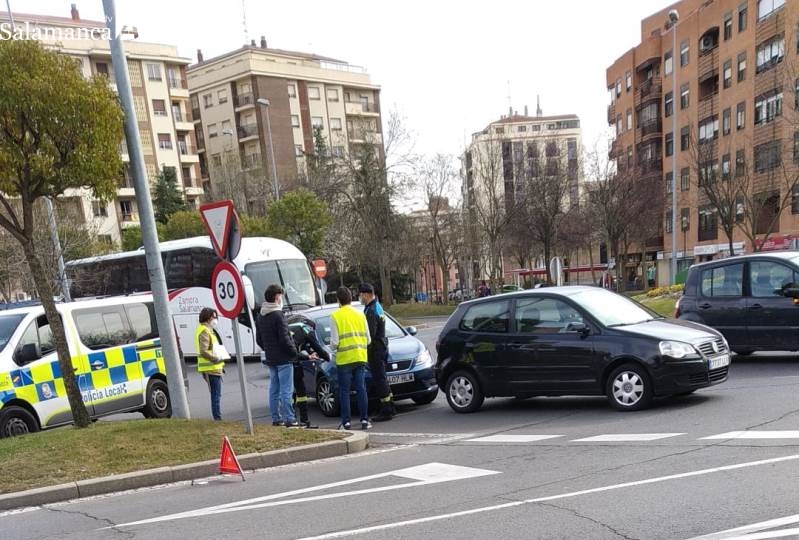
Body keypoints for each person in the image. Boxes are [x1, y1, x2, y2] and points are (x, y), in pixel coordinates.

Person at [256, 284, 300, 428]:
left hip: (271, 358)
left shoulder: (261, 315)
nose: (281, 298)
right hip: (284, 358)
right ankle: (290, 418)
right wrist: (294, 352)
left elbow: (259, 339)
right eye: (280, 295)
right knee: (286, 390)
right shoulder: (278, 315)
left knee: (274, 389)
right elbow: (285, 338)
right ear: (276, 297)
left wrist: (268, 349)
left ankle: (276, 418)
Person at [330, 286, 371, 430]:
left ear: (338, 300)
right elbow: (368, 339)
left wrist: (331, 349)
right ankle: (364, 420)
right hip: (360, 356)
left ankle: (346, 422)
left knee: (344, 391)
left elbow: (335, 342)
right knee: (361, 389)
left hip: (344, 359)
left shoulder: (335, 316)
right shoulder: (360, 314)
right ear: (351, 298)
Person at [358, 283, 394, 422]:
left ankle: (386, 410)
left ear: (366, 294)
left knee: (380, 379)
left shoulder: (371, 310)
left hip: (375, 349)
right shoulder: (377, 306)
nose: (360, 297)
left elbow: (370, 334)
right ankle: (389, 405)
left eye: (360, 294)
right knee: (383, 378)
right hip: (382, 346)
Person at [287, 314, 330, 428]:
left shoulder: (290, 327)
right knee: (301, 393)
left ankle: (292, 420)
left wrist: (308, 353)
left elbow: (301, 345)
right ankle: (304, 421)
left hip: (283, 363)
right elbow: (317, 347)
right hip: (294, 363)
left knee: (290, 393)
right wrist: (327, 358)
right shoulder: (307, 330)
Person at [195, 308, 226, 421]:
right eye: (214, 317)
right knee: (215, 395)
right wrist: (216, 359)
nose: (215, 319)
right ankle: (217, 419)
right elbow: (204, 351)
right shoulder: (204, 330)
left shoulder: (207, 329)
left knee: (216, 394)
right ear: (208, 318)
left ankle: (217, 417)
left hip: (213, 368)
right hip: (211, 368)